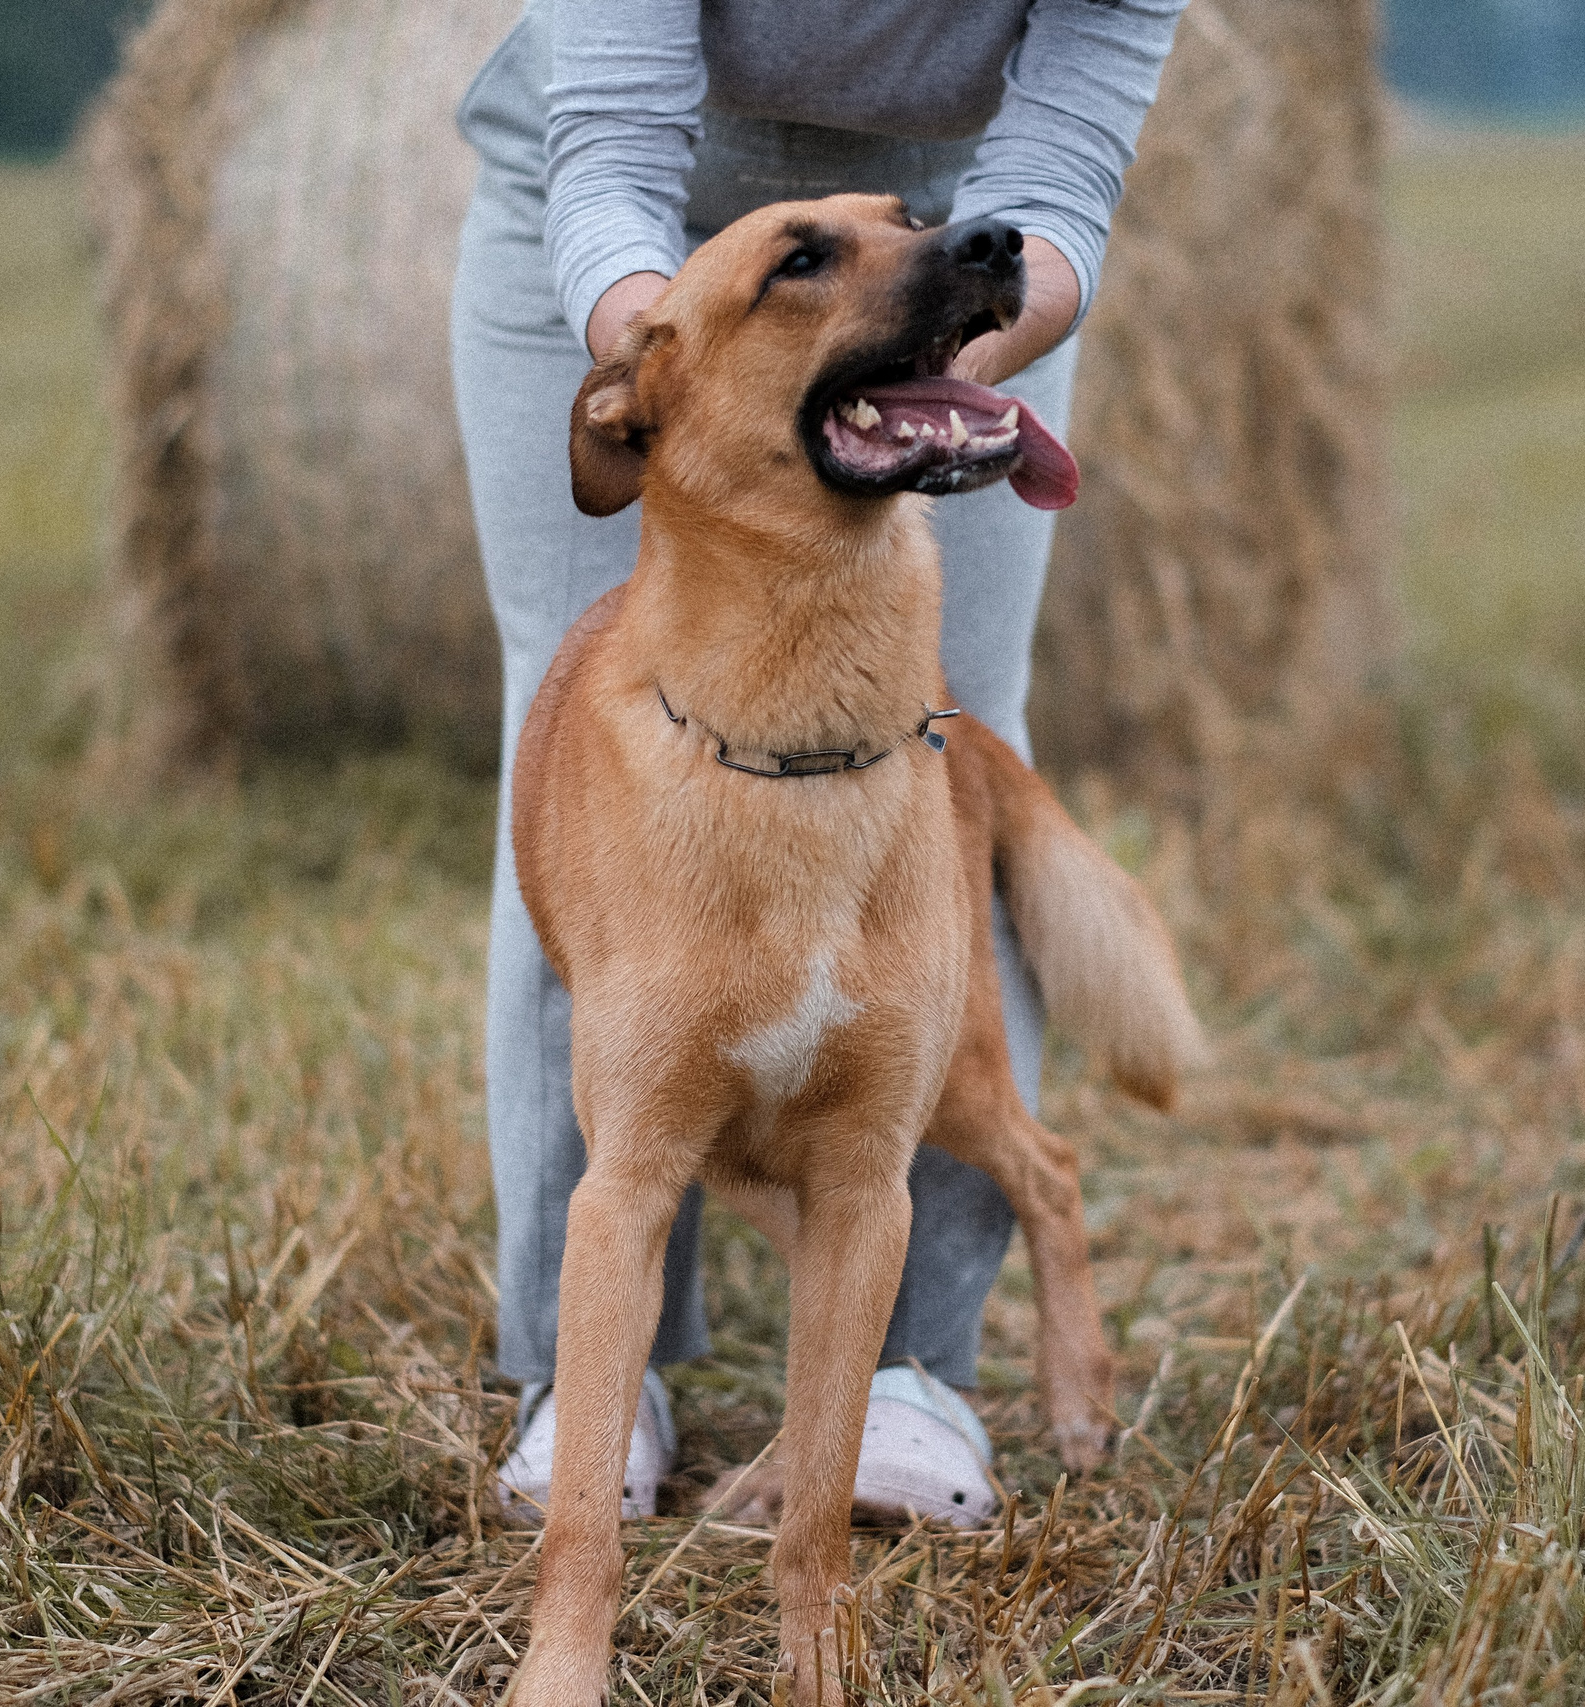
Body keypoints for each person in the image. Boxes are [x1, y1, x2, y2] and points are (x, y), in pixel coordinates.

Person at [451, 0, 1186, 1526]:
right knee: (575, 719)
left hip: (924, 245)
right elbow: (608, 147)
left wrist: (931, 353)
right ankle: (585, 1375)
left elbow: (1053, 182)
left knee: (954, 710)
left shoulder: (927, 252)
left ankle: (914, 1374)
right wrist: (683, 367)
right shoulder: (650, 337)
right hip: (616, 228)